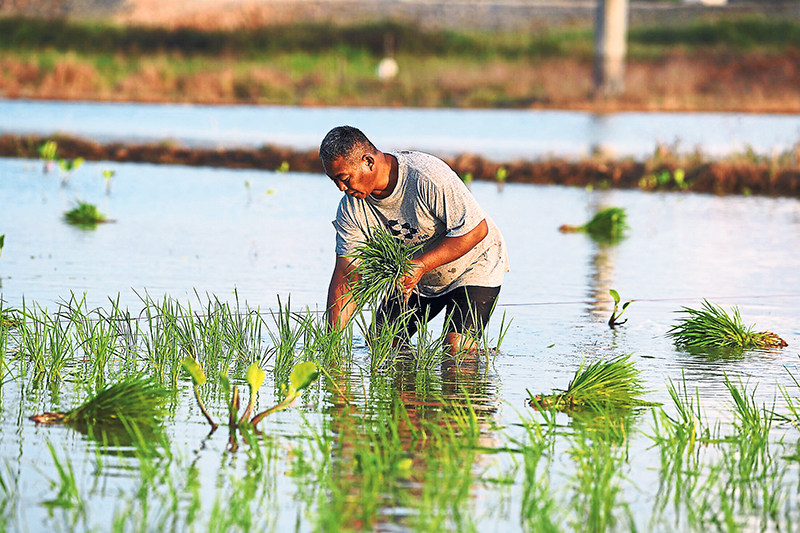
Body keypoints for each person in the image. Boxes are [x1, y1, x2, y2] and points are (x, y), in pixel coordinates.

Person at [320, 125, 509, 355]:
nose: (341, 188)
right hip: (418, 276)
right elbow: (348, 275)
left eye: (345, 179)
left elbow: (476, 230)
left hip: (474, 263)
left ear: (368, 162)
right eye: (334, 181)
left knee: (456, 350)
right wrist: (330, 343)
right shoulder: (351, 209)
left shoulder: (427, 177)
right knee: (382, 343)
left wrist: (420, 265)